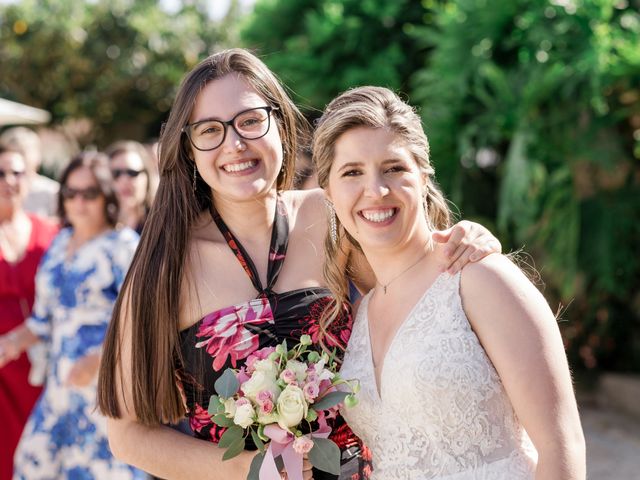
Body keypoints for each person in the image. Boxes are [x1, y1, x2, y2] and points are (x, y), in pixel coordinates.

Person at [96, 48, 501, 480]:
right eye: (210, 130)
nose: (235, 144)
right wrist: (246, 470)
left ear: (281, 125)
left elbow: (414, 290)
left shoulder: (328, 215)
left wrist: (466, 242)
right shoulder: (164, 264)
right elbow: (127, 435)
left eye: (250, 121)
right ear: (189, 148)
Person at [313, 86, 586, 479]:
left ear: (423, 177)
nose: (376, 190)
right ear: (329, 193)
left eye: (394, 168)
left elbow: (562, 446)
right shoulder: (360, 312)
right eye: (353, 172)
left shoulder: (479, 278)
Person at [0, 152, 146, 479]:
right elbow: (43, 319)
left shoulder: (123, 246)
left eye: (89, 193)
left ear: (106, 195)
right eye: (71, 192)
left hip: (105, 393)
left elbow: (142, 324)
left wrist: (96, 361)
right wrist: (9, 344)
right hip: (59, 389)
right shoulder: (60, 241)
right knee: (30, 465)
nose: (79, 202)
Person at [0, 146, 58, 480]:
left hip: (45, 368)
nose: (9, 181)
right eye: (1, 173)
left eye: (17, 172)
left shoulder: (53, 233)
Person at [0, 127, 59, 219]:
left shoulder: (52, 192)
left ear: (37, 156)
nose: (17, 160)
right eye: (13, 152)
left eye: (22, 153)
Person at [106, 140, 159, 234]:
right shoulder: (98, 225)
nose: (124, 180)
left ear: (147, 177)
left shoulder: (163, 222)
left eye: (132, 173)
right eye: (116, 173)